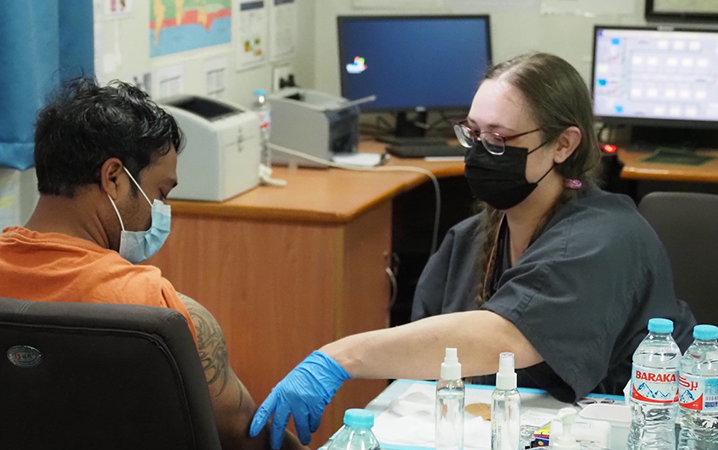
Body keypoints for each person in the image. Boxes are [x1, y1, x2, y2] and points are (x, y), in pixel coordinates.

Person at [249, 52, 697, 449]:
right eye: (473, 134)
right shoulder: (470, 241)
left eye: (500, 140)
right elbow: (430, 368)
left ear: (563, 144)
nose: (482, 152)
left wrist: (338, 358)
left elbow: (508, 335)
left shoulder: (608, 239)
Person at [0, 78, 306, 450]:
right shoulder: (152, 304)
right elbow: (244, 436)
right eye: (161, 192)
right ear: (115, 178)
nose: (163, 211)